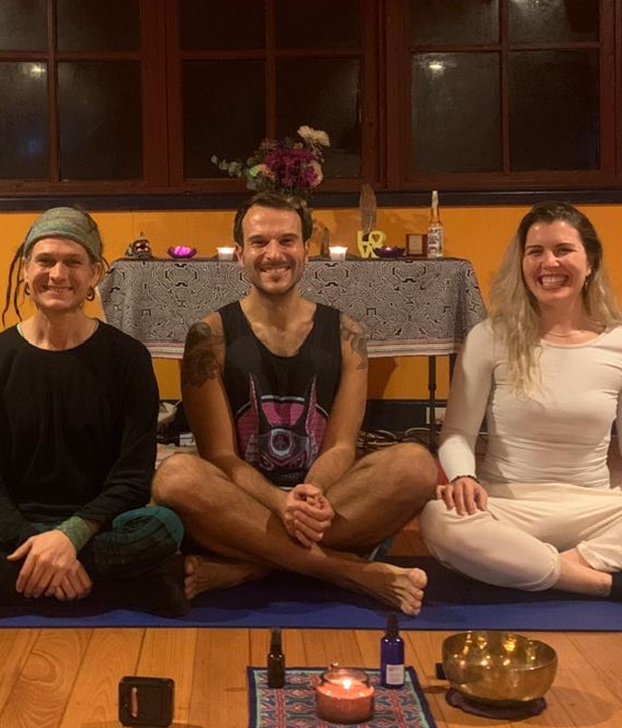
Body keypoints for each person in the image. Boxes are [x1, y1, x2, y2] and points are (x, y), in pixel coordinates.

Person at [420, 201, 622, 607]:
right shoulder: (489, 337)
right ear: (521, 263)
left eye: (563, 250)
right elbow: (458, 434)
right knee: (438, 519)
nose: (548, 262)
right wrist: (464, 477)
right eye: (535, 252)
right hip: (509, 506)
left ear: (591, 263)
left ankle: (551, 568)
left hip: (596, 510)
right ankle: (606, 584)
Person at [151, 192, 440, 614]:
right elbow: (219, 456)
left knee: (417, 465)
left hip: (325, 502)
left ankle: (251, 566)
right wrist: (279, 503)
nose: (274, 254)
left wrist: (311, 495)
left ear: (307, 250)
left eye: (287, 241)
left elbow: (342, 445)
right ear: (239, 254)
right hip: (242, 503)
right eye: (259, 242)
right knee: (174, 477)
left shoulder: (347, 334)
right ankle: (351, 572)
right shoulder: (207, 336)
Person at [0, 208, 187, 614]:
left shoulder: (127, 359)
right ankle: (106, 586)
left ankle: (9, 586)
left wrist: (70, 536)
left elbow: (132, 479)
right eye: (45, 260)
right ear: (24, 270)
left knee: (164, 529)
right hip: (9, 532)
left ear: (94, 274)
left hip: (98, 528)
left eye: (73, 262)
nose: (57, 274)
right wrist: (35, 542)